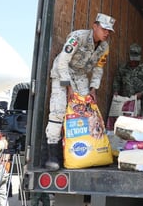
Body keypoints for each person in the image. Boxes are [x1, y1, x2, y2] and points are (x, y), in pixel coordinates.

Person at [45, 13, 115, 171]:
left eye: (109, 31)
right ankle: (52, 155)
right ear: (95, 26)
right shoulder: (78, 37)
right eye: (104, 29)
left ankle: (84, 151)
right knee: (58, 109)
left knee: (85, 111)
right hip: (63, 73)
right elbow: (63, 62)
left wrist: (93, 89)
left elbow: (98, 69)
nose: (107, 33)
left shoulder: (104, 47)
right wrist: (67, 86)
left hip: (80, 75)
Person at [112, 43, 143, 117]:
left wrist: (142, 94)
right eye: (133, 60)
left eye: (136, 60)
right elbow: (117, 81)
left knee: (141, 125)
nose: (134, 62)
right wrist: (116, 91)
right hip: (127, 104)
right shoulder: (122, 68)